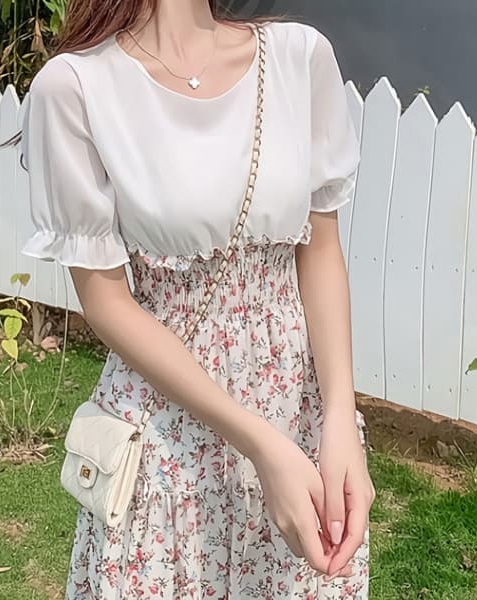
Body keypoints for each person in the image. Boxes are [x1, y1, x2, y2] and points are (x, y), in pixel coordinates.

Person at [19, 0, 376, 597]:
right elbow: (106, 302)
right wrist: (259, 443)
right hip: (168, 437)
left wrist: (340, 418)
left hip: (297, 414)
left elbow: (319, 251)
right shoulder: (76, 87)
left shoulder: (299, 58)